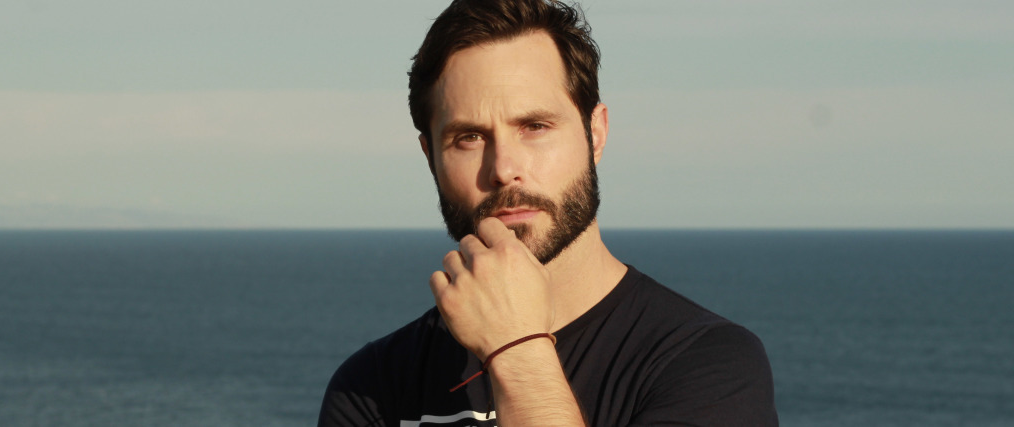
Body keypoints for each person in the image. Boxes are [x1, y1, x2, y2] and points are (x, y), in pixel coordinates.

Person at [318, 0, 778, 425]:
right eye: (469, 138)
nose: (504, 169)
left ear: (595, 134)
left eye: (535, 126)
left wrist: (516, 348)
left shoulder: (708, 364)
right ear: (430, 158)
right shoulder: (372, 388)